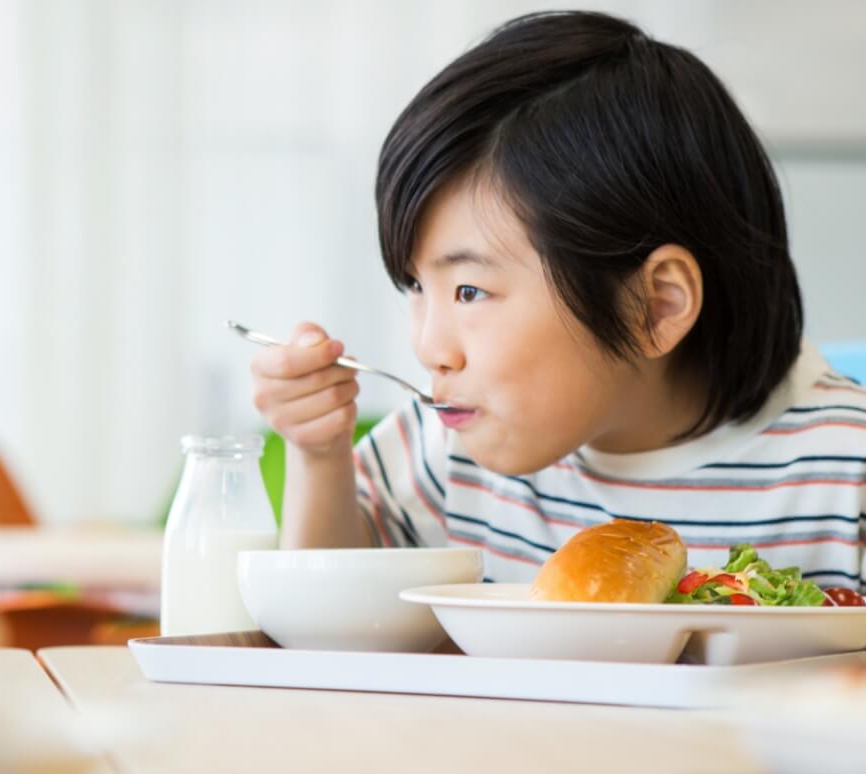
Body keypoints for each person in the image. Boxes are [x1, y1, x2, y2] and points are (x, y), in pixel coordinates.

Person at [249, 10, 865, 590]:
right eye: (418, 286)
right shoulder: (446, 450)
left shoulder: (844, 475)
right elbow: (327, 631)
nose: (429, 347)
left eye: (469, 290)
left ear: (657, 306)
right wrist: (319, 458)